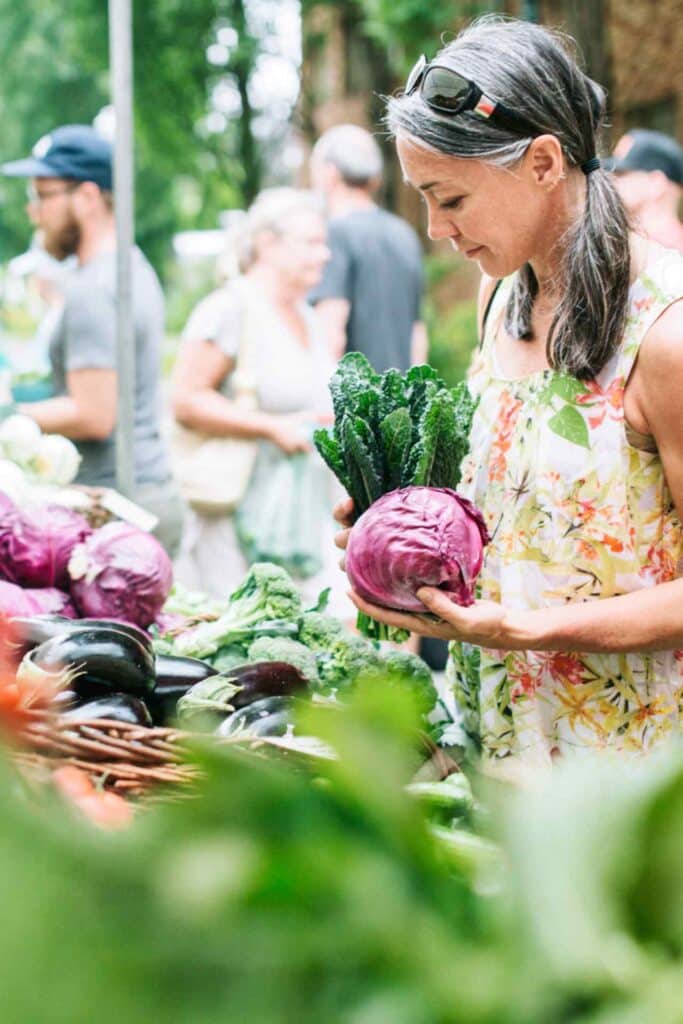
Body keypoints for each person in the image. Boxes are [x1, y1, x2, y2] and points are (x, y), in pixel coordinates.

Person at [334, 17, 683, 771]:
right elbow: (517, 504)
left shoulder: (665, 332)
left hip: (626, 780)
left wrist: (520, 628)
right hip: (498, 749)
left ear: (543, 162)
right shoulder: (501, 292)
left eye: (449, 198)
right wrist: (403, 525)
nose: (433, 228)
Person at [1, 125, 183, 555]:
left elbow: (94, 414)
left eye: (43, 196)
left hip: (118, 506)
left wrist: (9, 413)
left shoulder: (93, 289)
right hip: (148, 491)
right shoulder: (129, 266)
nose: (33, 212)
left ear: (86, 197)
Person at [172, 188, 349, 614]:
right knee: (239, 645)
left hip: (298, 522)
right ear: (267, 244)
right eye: (311, 243)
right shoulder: (230, 308)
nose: (324, 255)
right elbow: (185, 399)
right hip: (233, 526)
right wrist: (271, 427)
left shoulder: (306, 313)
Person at [309, 124, 427, 373]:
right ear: (375, 179)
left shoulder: (332, 234)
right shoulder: (404, 233)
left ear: (330, 173)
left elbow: (330, 331)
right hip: (399, 402)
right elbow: (416, 331)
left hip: (355, 403)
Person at [604, 128, 683, 252]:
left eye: (621, 174)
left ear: (656, 182)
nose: (612, 181)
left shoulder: (670, 253)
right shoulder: (628, 246)